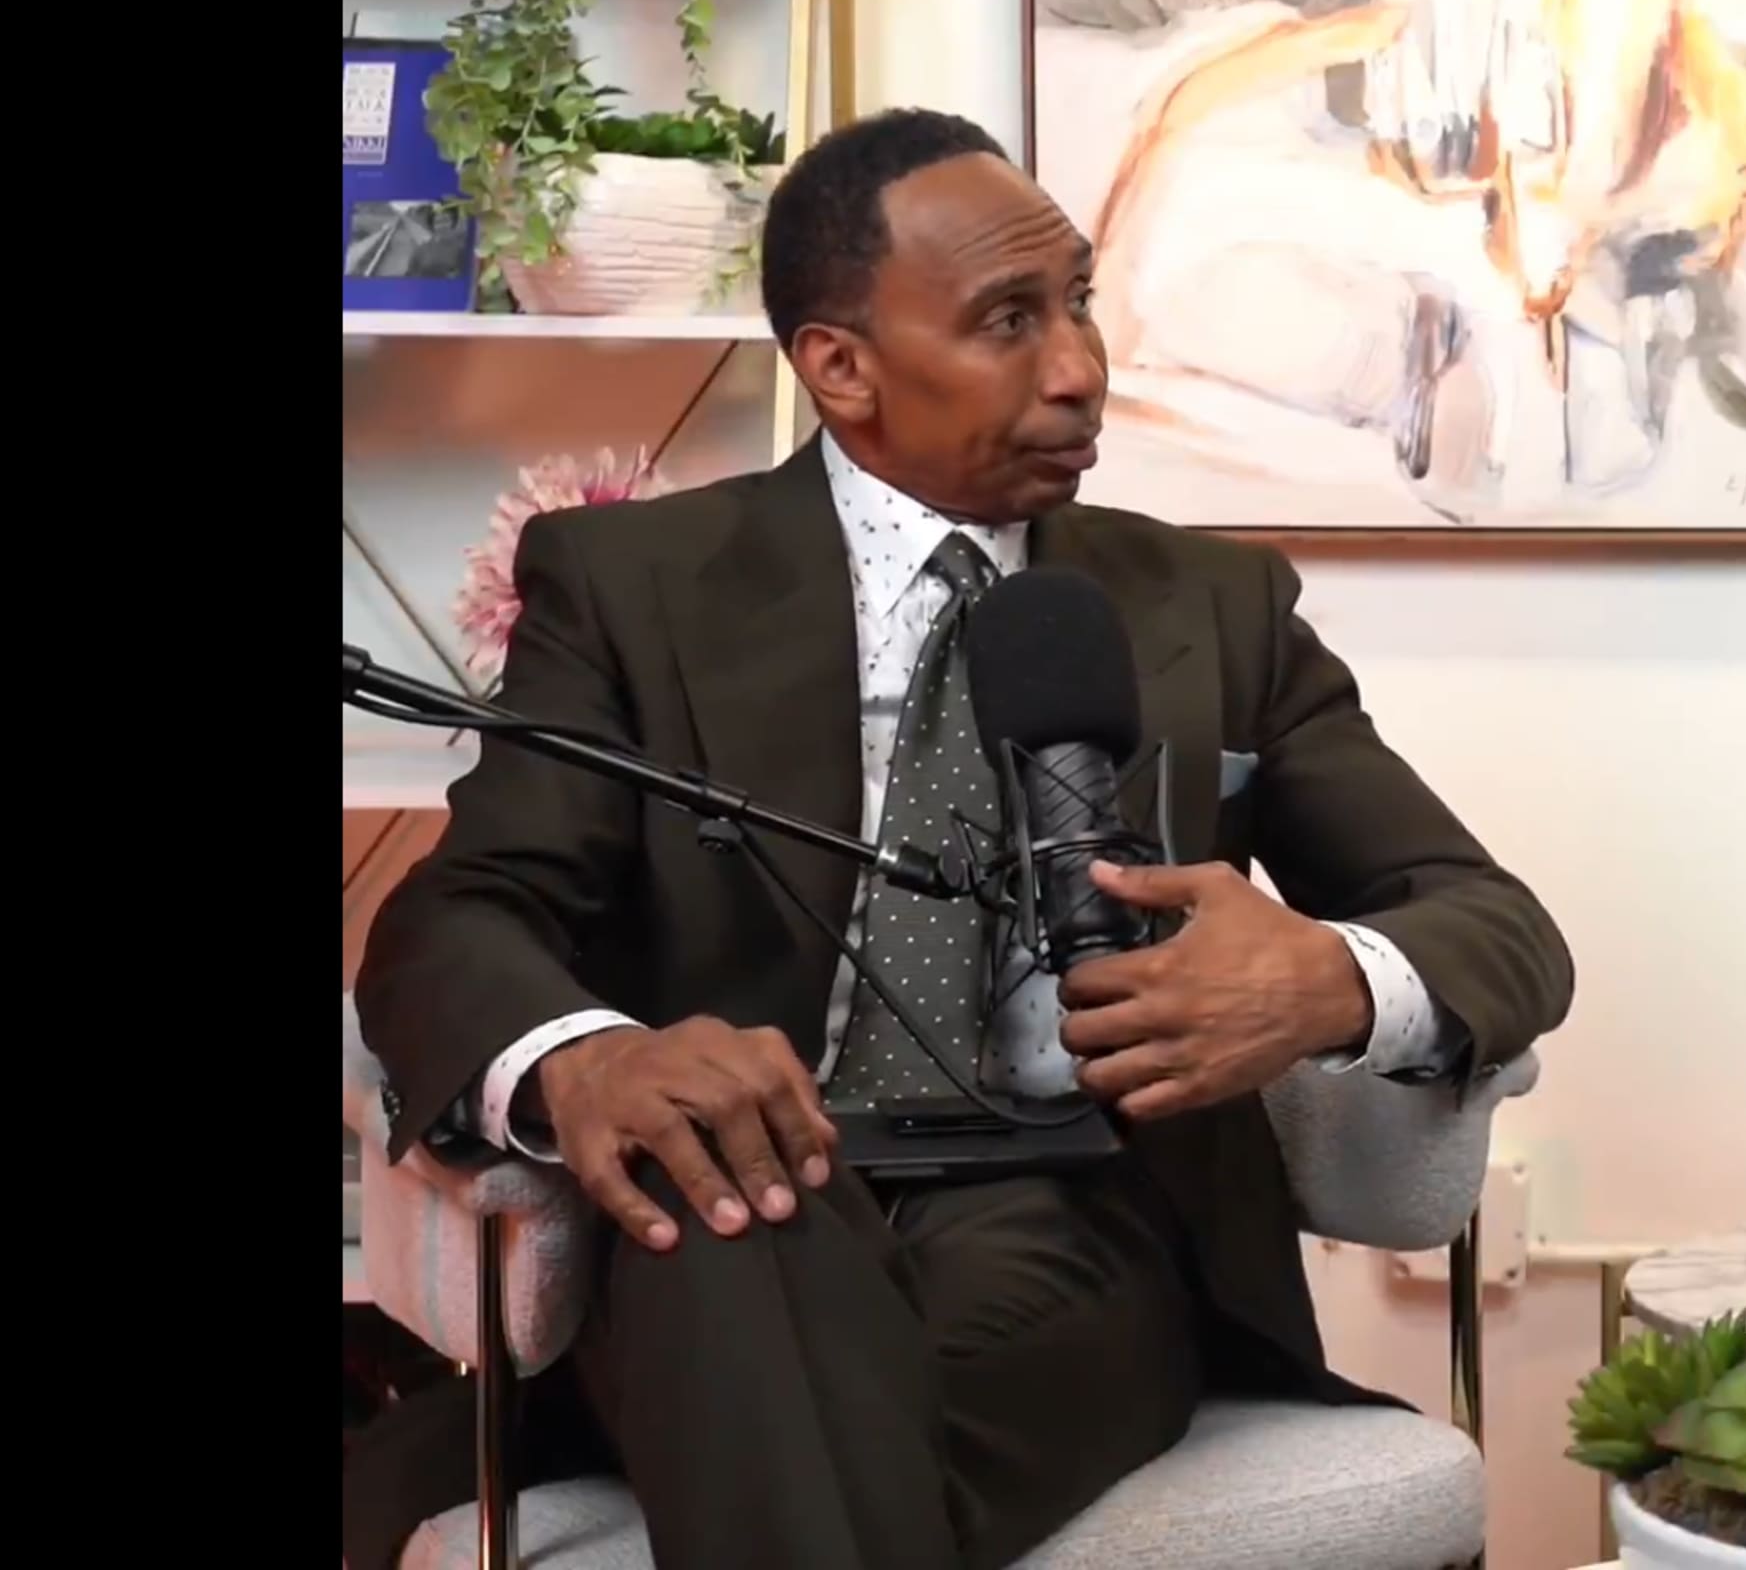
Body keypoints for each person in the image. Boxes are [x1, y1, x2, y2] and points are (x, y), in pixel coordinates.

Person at [343, 108, 1573, 1570]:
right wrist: (594, 1057)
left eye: (1077, 306)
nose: (1078, 369)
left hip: (1070, 1214)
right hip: (742, 1180)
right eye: (1008, 321)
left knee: (770, 1390)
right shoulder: (637, 585)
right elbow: (455, 917)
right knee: (723, 1213)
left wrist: (1330, 981)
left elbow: (1493, 920)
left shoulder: (1209, 608)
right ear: (839, 365)